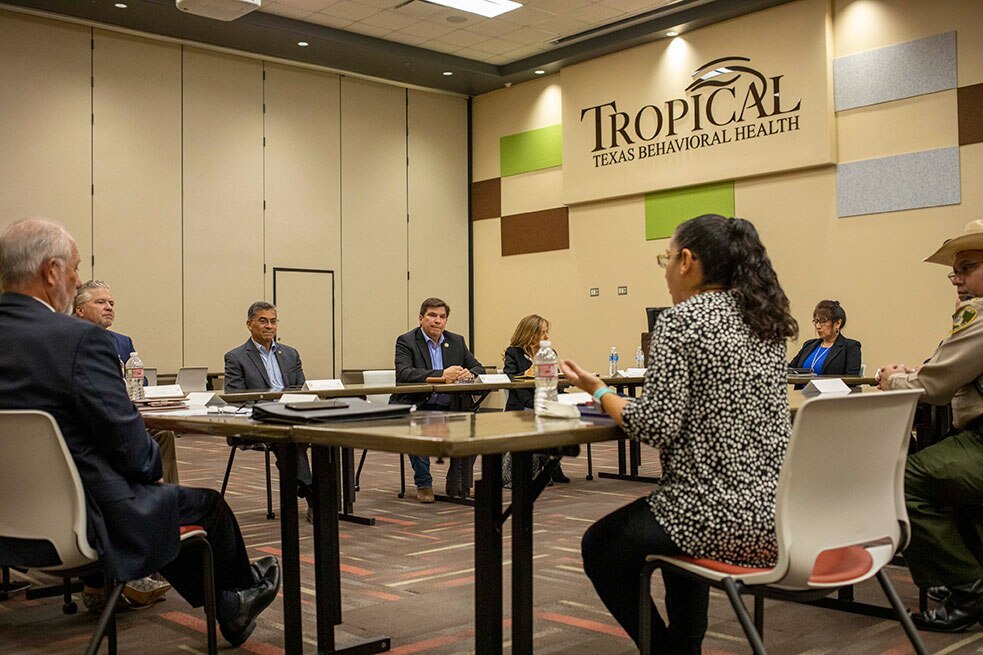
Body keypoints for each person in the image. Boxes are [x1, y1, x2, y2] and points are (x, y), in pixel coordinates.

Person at [0, 218, 280, 647]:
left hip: (10, 521)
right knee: (206, 507)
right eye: (74, 270)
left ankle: (232, 601)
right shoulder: (78, 339)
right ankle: (240, 591)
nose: (75, 281)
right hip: (84, 520)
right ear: (51, 272)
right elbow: (132, 447)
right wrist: (152, 468)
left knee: (160, 505)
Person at [560, 214, 797, 653]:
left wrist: (600, 390)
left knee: (601, 546)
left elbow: (657, 425)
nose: (666, 270)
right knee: (670, 530)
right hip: (779, 513)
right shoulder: (766, 320)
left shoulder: (681, 320)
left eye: (665, 259)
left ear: (686, 261)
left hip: (713, 514)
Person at [876, 219, 983, 632]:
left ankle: (966, 587)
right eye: (954, 271)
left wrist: (895, 379)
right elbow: (952, 371)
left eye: (967, 266)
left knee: (904, 480)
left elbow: (936, 388)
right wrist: (918, 372)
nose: (956, 279)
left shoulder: (978, 317)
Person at [73, 280, 180, 485]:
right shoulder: (71, 340)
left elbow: (141, 381)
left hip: (126, 415)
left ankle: (169, 498)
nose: (109, 307)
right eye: (101, 302)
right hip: (95, 423)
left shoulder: (122, 341)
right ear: (80, 310)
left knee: (164, 434)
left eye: (112, 303)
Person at [224, 301, 315, 522]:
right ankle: (314, 496)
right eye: (263, 321)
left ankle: (306, 488)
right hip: (258, 420)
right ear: (249, 324)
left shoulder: (290, 354)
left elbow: (300, 390)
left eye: (273, 321)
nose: (269, 326)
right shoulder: (236, 357)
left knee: (326, 435)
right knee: (289, 438)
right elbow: (237, 400)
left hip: (291, 414)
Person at [391, 297, 484, 502]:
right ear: (421, 318)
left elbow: (479, 368)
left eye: (442, 317)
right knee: (417, 427)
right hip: (417, 403)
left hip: (450, 406)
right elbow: (404, 373)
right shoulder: (406, 341)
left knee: (473, 427)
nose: (437, 320)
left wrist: (469, 373)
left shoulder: (457, 341)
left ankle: (458, 483)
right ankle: (424, 484)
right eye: (432, 315)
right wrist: (443, 374)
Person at [502, 314, 570, 484]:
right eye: (543, 333)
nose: (547, 337)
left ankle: (552, 463)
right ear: (531, 334)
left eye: (547, 332)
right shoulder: (514, 352)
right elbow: (510, 377)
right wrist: (525, 374)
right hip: (523, 402)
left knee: (571, 414)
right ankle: (547, 466)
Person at [788, 299, 862, 375]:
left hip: (833, 387)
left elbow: (851, 379)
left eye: (823, 321)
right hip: (803, 387)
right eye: (816, 321)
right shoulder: (809, 345)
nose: (818, 326)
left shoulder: (850, 347)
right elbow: (790, 369)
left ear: (838, 323)